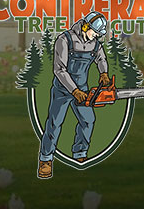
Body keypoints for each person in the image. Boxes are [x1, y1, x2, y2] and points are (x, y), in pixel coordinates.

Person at [37, 11, 110, 179]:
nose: (96, 36)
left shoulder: (95, 44)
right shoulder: (65, 40)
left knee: (88, 120)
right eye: (95, 32)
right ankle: (46, 160)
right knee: (55, 123)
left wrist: (103, 73)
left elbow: (101, 59)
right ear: (86, 26)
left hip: (83, 90)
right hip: (63, 89)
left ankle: (80, 152)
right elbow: (59, 70)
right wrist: (73, 90)